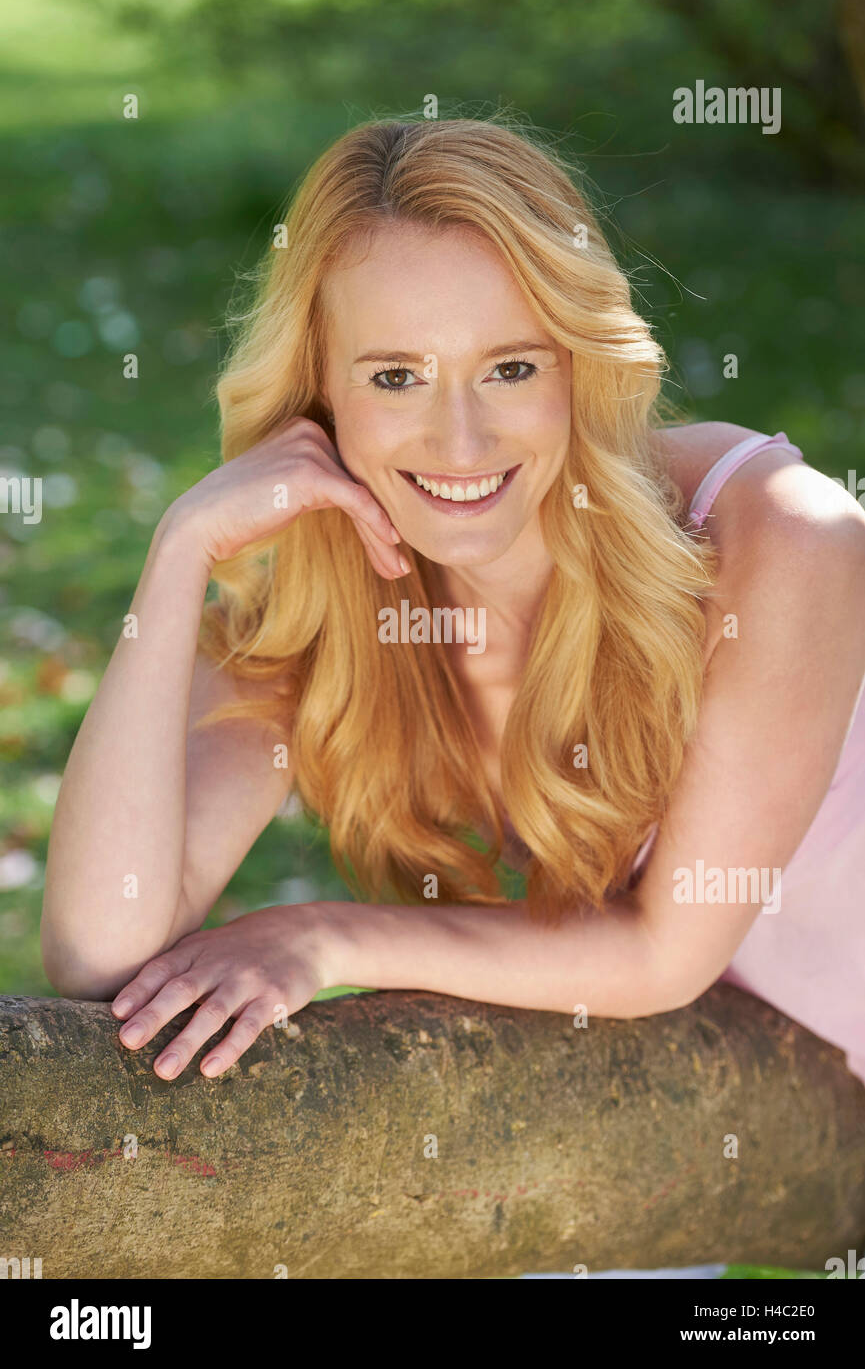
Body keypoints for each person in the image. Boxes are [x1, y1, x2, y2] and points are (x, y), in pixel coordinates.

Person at [41, 118, 865, 1088]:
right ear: (320, 396)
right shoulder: (331, 613)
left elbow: (662, 954)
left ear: (577, 365)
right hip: (747, 1082)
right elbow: (100, 945)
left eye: (510, 366)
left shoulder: (773, 532)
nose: (461, 441)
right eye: (395, 377)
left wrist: (319, 938)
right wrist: (176, 553)